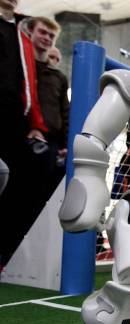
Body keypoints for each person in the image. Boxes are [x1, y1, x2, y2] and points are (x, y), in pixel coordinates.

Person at [0, 0, 48, 266]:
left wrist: (36, 125)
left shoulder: (21, 32)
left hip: (14, 117)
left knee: (29, 175)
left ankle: (5, 251)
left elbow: (29, 82)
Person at [27, 16, 70, 203]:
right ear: (31, 32)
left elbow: (65, 112)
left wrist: (67, 143)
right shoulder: (21, 68)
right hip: (25, 136)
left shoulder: (58, 78)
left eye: (51, 35)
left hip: (52, 142)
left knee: (42, 194)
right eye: (43, 32)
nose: (47, 37)